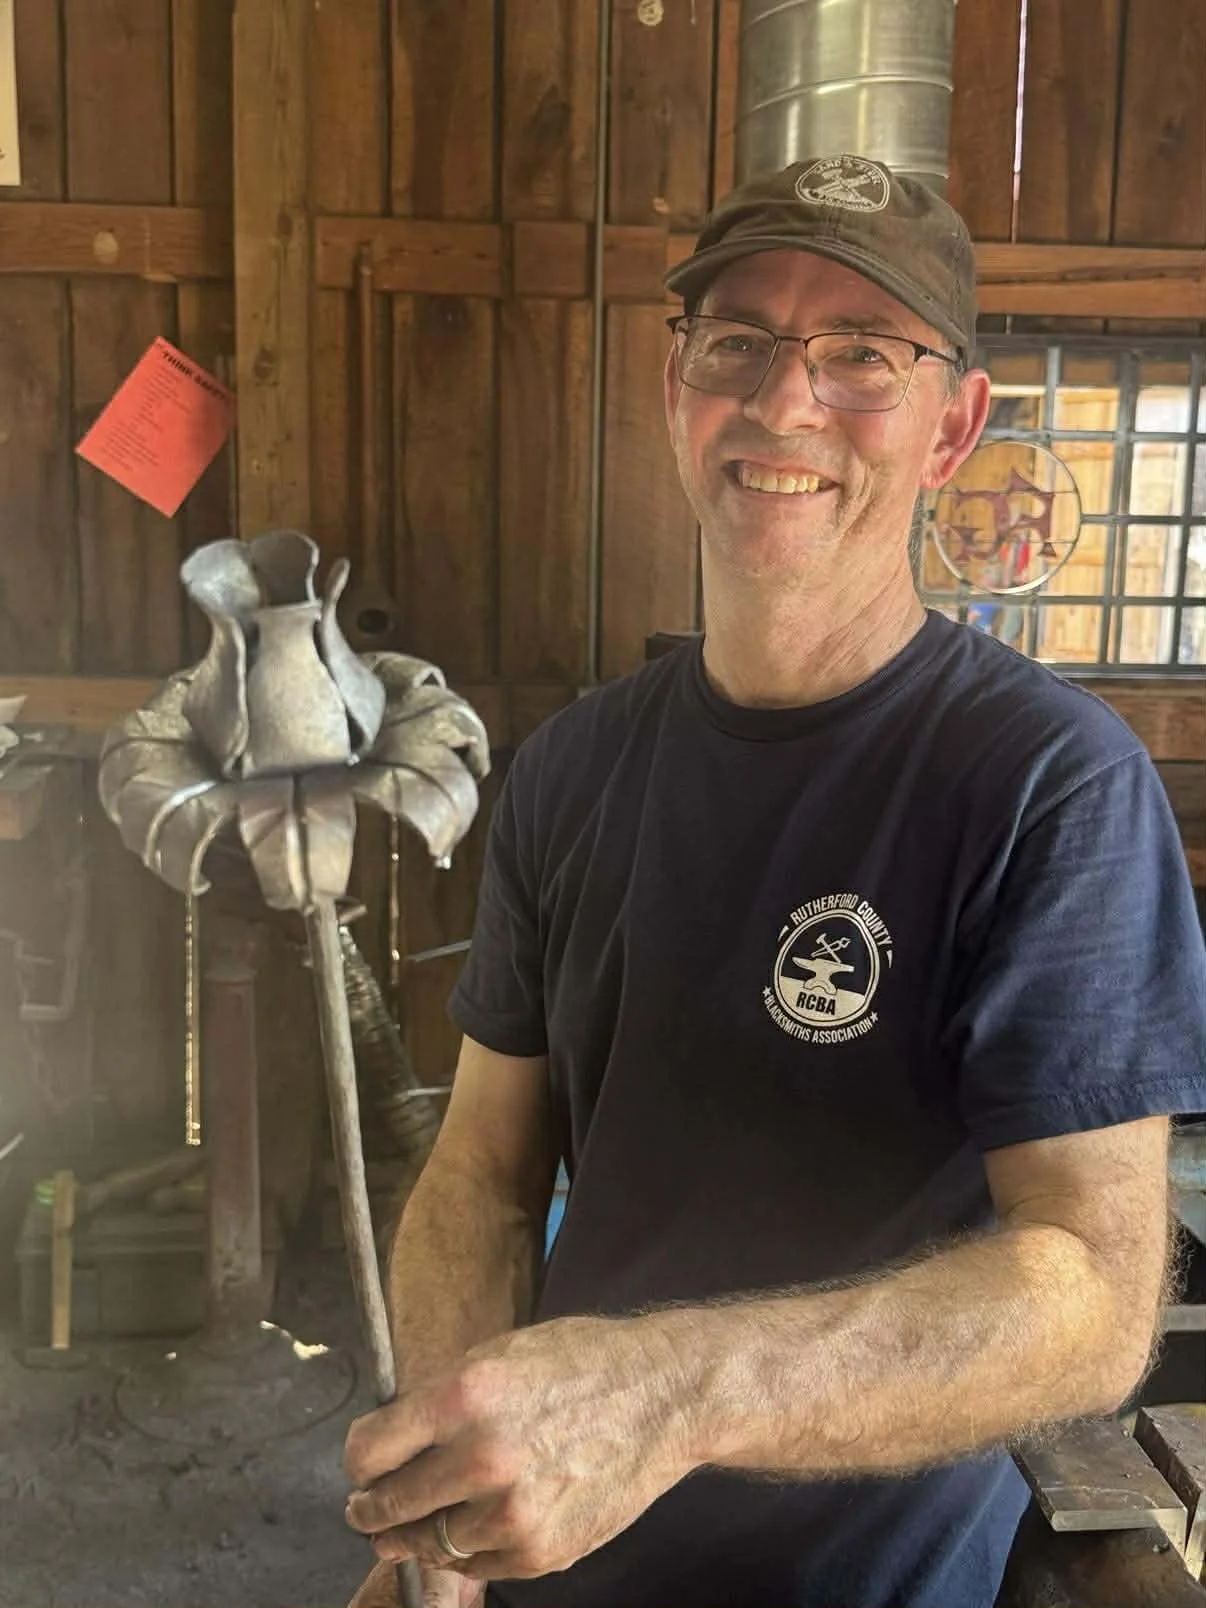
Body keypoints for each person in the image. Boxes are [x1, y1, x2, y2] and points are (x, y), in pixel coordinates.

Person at [341, 154, 1206, 1608]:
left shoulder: (1048, 784)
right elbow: (481, 1176)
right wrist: (438, 1525)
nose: (784, 401)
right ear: (675, 390)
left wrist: (666, 1395)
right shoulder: (570, 769)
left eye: (861, 354)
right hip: (555, 1553)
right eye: (736, 341)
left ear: (952, 427)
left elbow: (1091, 1292)